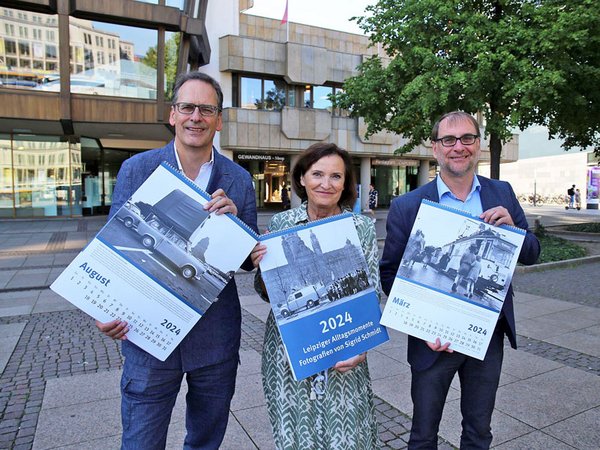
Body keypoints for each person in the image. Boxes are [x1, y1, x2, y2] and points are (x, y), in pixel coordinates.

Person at [95, 71, 258, 450]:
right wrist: (103, 308)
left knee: (205, 440)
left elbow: (248, 262)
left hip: (214, 338)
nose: (195, 117)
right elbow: (113, 245)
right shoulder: (137, 169)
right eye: (187, 107)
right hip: (146, 333)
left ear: (219, 120)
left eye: (206, 109)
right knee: (140, 441)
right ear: (173, 114)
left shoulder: (238, 179)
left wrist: (236, 229)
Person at [380, 111, 540, 449]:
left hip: (486, 336)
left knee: (479, 432)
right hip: (432, 341)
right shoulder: (408, 206)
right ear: (435, 148)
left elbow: (532, 252)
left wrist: (513, 230)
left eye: (467, 138)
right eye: (448, 140)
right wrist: (422, 325)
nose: (459, 147)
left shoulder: (502, 193)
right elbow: (390, 272)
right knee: (423, 435)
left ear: (478, 145)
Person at [250, 143, 381, 449]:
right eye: (317, 174)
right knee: (296, 434)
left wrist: (361, 346)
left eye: (336, 176)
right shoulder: (282, 224)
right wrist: (264, 270)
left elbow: (371, 289)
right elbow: (266, 291)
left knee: (348, 435)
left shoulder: (360, 227)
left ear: (346, 183)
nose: (326, 183)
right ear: (302, 179)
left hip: (344, 344)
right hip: (289, 350)